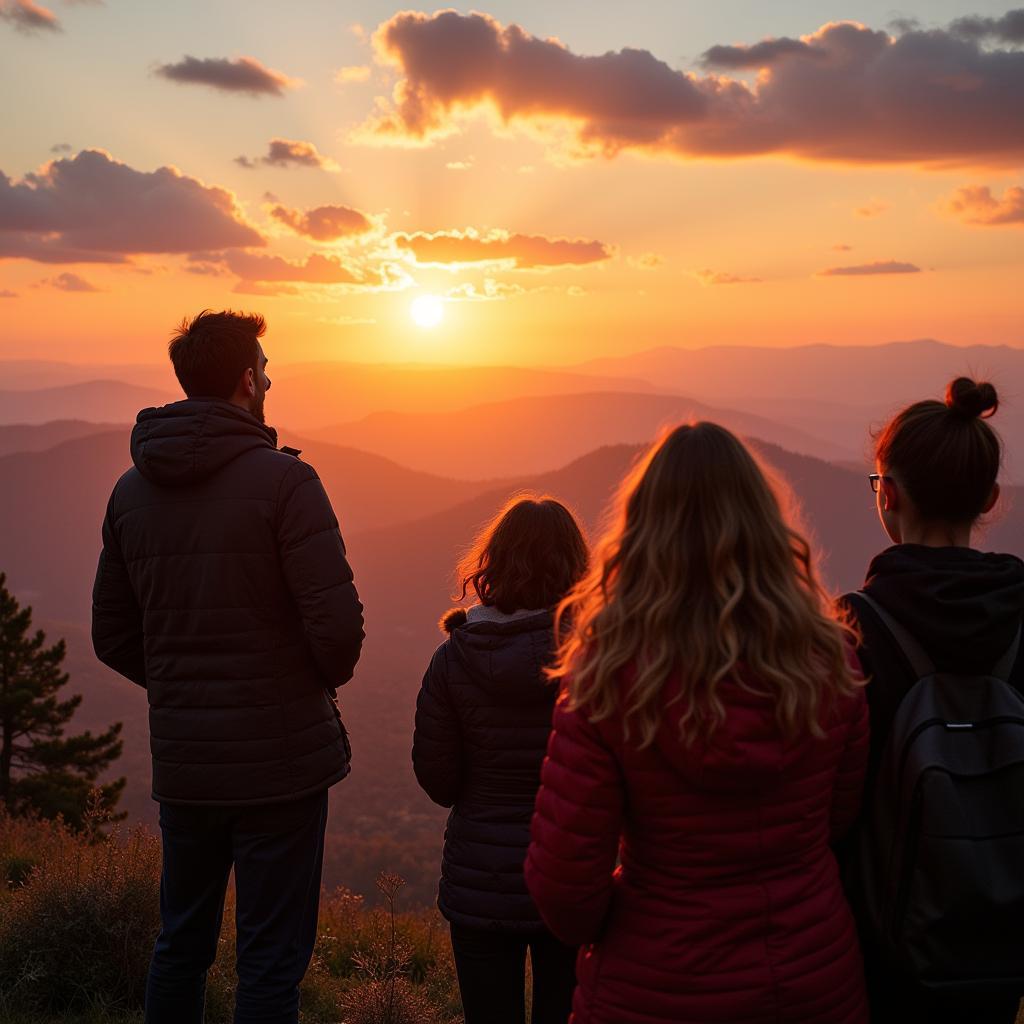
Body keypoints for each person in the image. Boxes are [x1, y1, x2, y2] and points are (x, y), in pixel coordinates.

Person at [524, 422, 870, 1024]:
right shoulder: (830, 660)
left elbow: (565, 889)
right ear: (765, 527)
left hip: (653, 988)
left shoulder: (608, 677)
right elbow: (837, 819)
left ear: (643, 534)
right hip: (813, 981)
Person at [92, 310, 364, 1024]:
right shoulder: (286, 484)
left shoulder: (129, 491)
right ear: (247, 381)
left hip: (188, 765)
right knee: (270, 961)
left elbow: (112, 635)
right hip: (281, 765)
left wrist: (190, 692)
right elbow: (338, 634)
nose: (271, 379)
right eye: (266, 369)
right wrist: (277, 687)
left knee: (180, 944)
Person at [842, 377, 1024, 1024]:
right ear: (990, 499)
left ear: (887, 494)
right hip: (1004, 935)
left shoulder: (856, 629)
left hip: (886, 940)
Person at [412, 496, 588, 1024]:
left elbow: (438, 780)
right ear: (575, 564)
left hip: (481, 882)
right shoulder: (597, 656)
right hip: (573, 872)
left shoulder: (454, 658)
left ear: (494, 563)